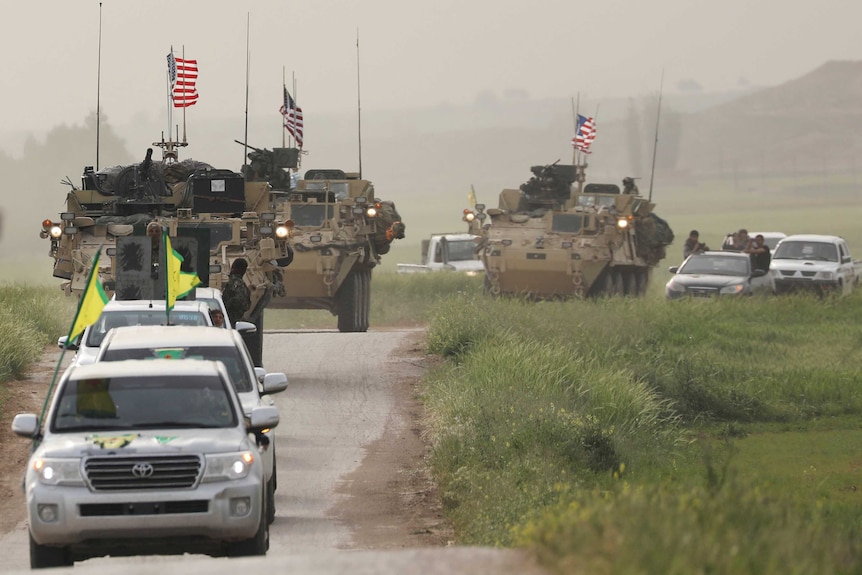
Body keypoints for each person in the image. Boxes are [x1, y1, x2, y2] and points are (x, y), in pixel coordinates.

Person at [222, 258, 251, 326]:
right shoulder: (239, 283)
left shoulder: (235, 283)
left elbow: (239, 300)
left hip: (231, 320)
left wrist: (225, 306)